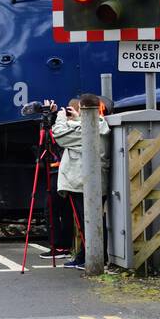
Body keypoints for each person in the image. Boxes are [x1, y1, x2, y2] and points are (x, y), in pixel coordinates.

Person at [52, 94, 110, 270]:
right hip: (90, 181)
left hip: (83, 182)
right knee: (90, 221)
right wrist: (78, 119)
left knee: (88, 222)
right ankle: (85, 256)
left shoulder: (89, 130)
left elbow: (60, 135)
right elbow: (83, 127)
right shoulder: (100, 126)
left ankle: (93, 257)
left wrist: (60, 118)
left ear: (84, 110)